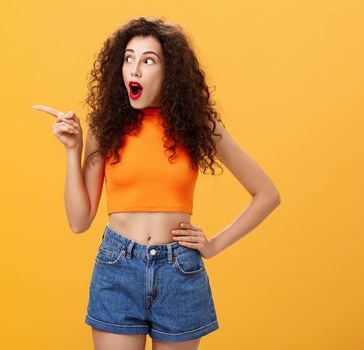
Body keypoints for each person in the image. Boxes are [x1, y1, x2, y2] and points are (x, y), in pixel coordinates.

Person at [32, 17, 281, 350]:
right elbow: (79, 221)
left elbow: (267, 194)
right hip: (117, 267)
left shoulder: (199, 125)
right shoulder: (104, 125)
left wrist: (214, 245)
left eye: (148, 60)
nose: (134, 69)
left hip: (179, 272)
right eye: (129, 58)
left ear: (170, 72)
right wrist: (72, 150)